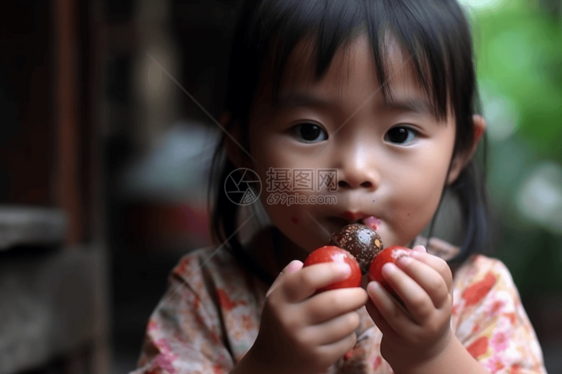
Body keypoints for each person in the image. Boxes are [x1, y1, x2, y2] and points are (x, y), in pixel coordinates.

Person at [130, 0, 548, 373]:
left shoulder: (481, 297)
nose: (355, 170)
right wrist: (270, 366)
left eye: (400, 133)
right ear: (242, 147)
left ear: (459, 153)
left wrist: (434, 357)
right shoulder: (205, 297)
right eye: (310, 130)